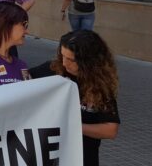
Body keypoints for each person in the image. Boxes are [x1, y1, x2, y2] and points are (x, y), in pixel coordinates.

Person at [30, 31, 119, 166]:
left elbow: (110, 130)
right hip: (50, 155)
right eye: (62, 55)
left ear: (89, 61)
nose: (65, 63)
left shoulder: (100, 86)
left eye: (71, 59)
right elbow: (21, 81)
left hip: (83, 157)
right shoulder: (53, 69)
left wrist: (73, 126)